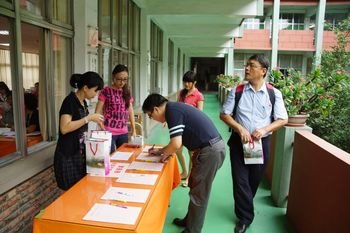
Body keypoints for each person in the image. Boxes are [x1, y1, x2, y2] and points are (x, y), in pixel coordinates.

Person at [220, 54, 288, 233]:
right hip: (238, 143)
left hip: (261, 144)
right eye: (246, 65)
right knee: (240, 180)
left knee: (253, 180)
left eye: (251, 66)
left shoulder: (274, 93)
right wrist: (240, 129)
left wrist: (264, 130)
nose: (246, 69)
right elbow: (225, 114)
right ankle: (244, 218)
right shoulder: (238, 90)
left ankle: (245, 207)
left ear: (263, 71)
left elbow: (282, 119)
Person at [142, 93, 225, 233]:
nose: (153, 119)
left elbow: (176, 144)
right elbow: (176, 143)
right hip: (208, 149)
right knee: (194, 188)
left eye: (150, 116)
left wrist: (165, 153)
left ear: (156, 109)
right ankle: (190, 221)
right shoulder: (174, 108)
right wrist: (162, 151)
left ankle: (193, 230)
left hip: (209, 151)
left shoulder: (172, 112)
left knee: (199, 194)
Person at [54, 71, 104, 190]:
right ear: (86, 88)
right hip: (68, 155)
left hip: (79, 153)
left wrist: (96, 122)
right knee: (71, 191)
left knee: (81, 188)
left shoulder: (83, 103)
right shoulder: (70, 101)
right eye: (95, 90)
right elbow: (64, 128)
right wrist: (88, 118)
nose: (96, 94)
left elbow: (79, 125)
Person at [95, 64, 136, 153]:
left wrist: (134, 129)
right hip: (108, 131)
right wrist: (100, 124)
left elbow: (130, 111)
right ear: (113, 77)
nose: (122, 82)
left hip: (123, 132)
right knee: (110, 157)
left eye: (125, 79)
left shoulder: (127, 91)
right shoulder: (106, 91)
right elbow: (97, 111)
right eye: (119, 79)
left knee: (123, 156)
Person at [177, 71, 204, 186]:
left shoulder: (199, 96)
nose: (186, 84)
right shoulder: (182, 93)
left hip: (191, 128)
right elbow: (177, 109)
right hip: (181, 127)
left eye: (189, 82)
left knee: (191, 154)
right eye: (185, 81)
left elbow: (200, 114)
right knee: (177, 149)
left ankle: (189, 178)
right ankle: (184, 171)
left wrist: (188, 109)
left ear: (194, 82)